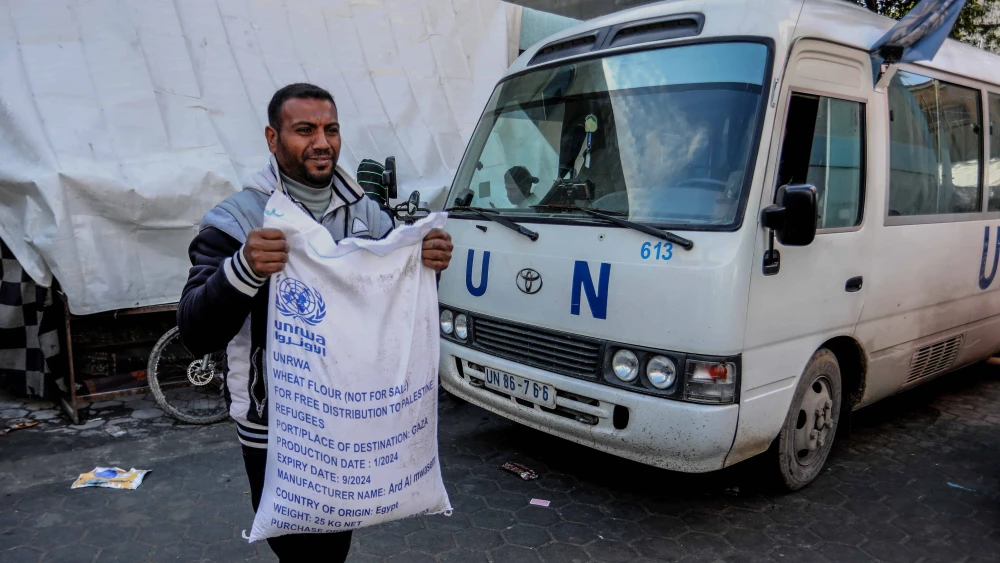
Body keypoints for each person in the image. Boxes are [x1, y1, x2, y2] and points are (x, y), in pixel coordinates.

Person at [176, 83, 453, 562]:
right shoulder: (237, 222)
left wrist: (425, 267)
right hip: (278, 425)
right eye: (304, 130)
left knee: (335, 541)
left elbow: (399, 308)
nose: (322, 142)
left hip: (355, 412)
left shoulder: (370, 214)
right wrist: (242, 268)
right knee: (303, 550)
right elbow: (194, 332)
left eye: (331, 130)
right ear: (272, 137)